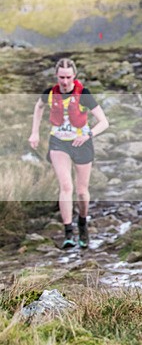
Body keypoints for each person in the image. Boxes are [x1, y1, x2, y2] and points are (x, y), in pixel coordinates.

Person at [29, 58, 109, 249]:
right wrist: (35, 132)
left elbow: (104, 122)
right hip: (58, 143)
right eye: (61, 77)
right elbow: (38, 106)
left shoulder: (84, 94)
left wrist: (88, 135)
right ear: (56, 76)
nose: (64, 81)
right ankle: (68, 233)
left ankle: (82, 223)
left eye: (68, 77)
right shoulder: (50, 93)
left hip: (82, 142)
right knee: (66, 187)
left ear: (74, 76)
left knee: (82, 191)